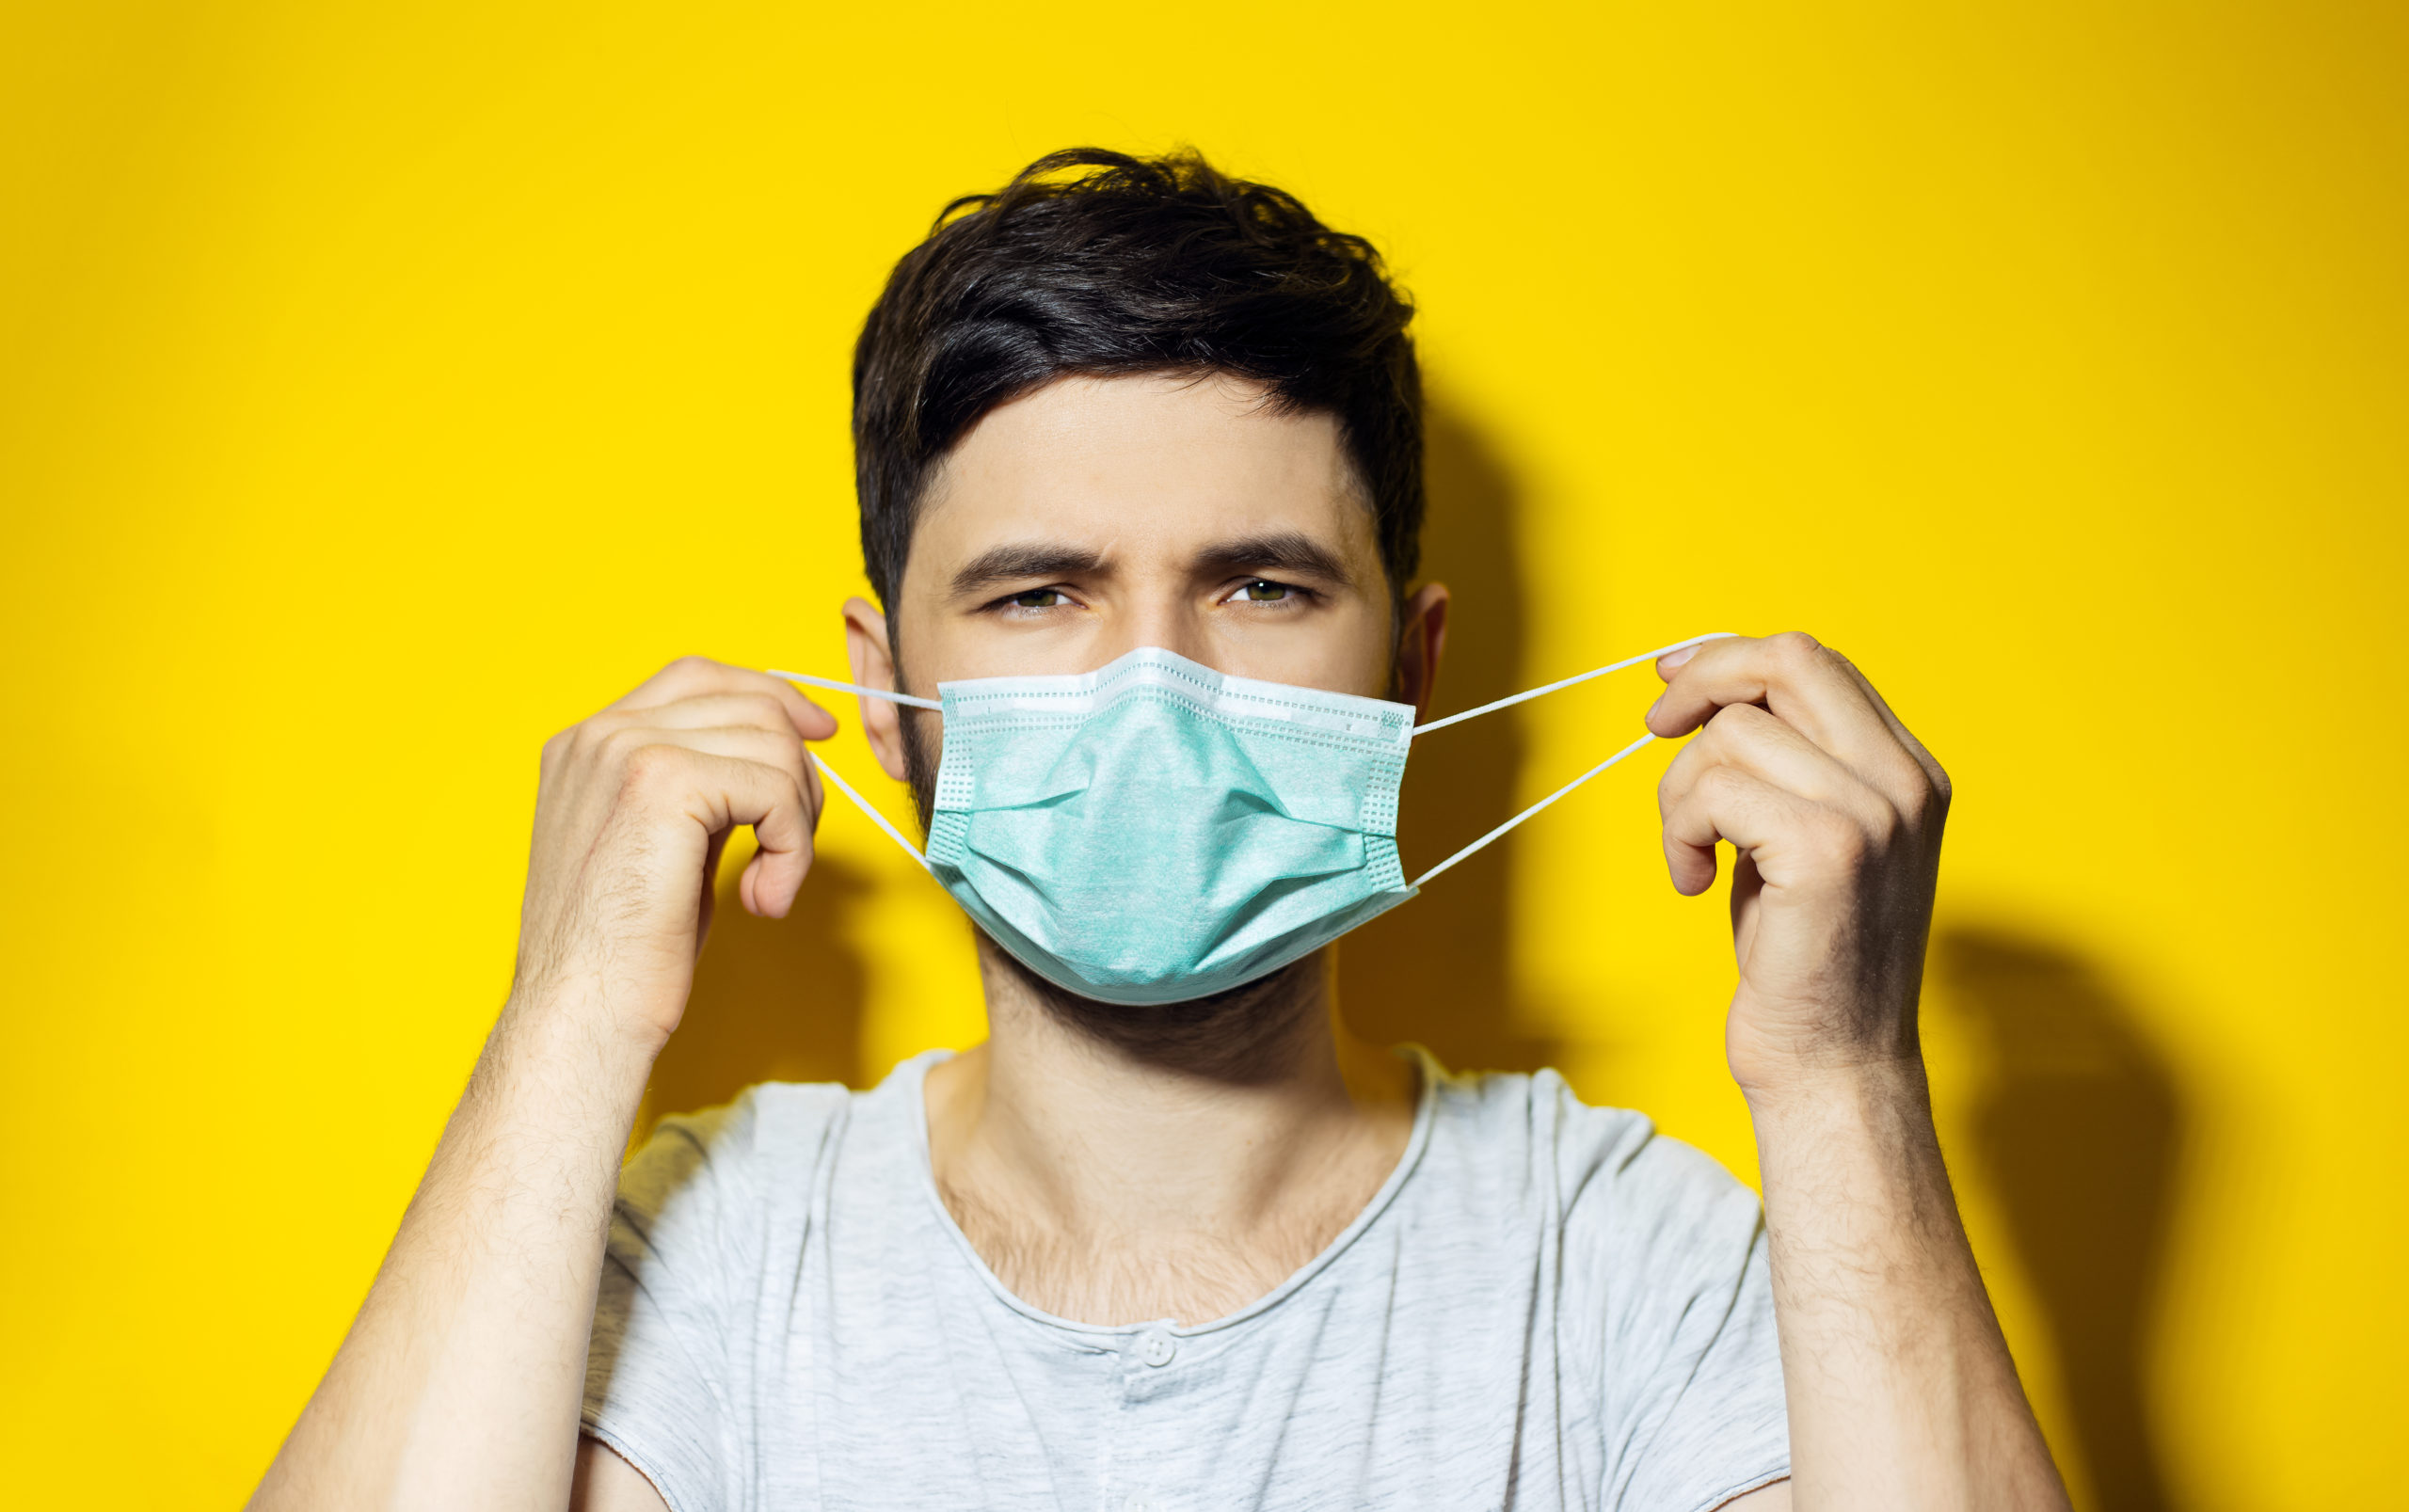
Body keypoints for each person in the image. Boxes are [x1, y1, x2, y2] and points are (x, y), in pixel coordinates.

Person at [249, 150, 2070, 1511]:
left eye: (1262, 587)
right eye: (1040, 596)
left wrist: (1848, 1088)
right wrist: (564, 1021)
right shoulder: (719, 1253)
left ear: (1412, 672)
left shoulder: (1624, 1263)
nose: (1152, 692)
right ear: (884, 691)